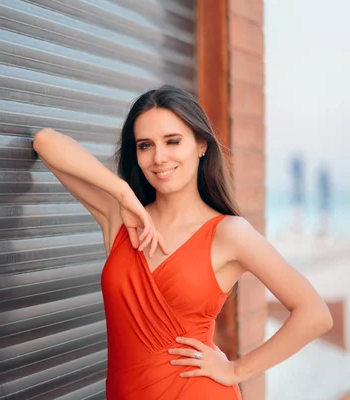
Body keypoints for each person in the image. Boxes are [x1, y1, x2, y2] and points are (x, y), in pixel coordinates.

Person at [32, 85, 332, 399]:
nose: (159, 157)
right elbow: (46, 142)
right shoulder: (121, 220)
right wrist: (122, 193)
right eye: (145, 145)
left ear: (201, 145)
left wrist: (234, 370)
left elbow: (314, 313)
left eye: (172, 141)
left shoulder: (229, 233)